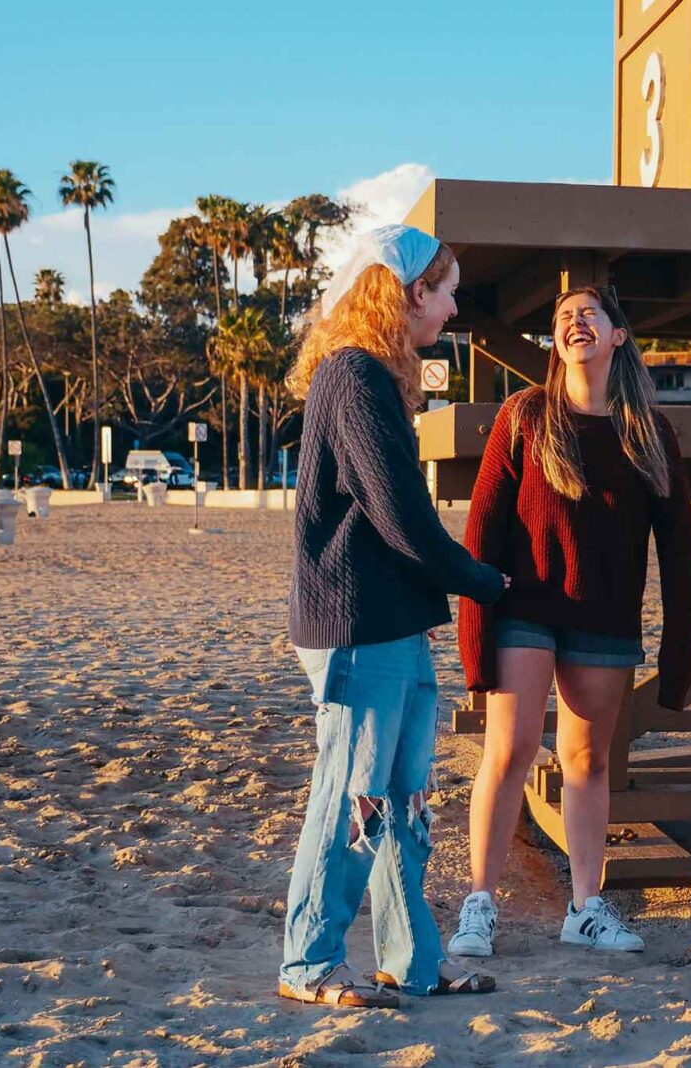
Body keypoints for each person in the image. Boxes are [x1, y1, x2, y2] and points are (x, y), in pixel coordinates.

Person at [279, 225, 506, 1008]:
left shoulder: (368, 375)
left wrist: (441, 593)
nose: (450, 305)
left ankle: (412, 959)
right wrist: (483, 580)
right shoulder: (353, 375)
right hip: (355, 623)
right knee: (351, 794)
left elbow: (390, 521)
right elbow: (400, 514)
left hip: (390, 620)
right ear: (407, 291)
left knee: (402, 797)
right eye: (443, 289)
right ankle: (308, 964)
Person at [451, 284, 691, 957]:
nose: (574, 322)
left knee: (587, 761)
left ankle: (586, 909)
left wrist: (680, 660)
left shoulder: (650, 432)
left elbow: (679, 550)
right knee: (512, 748)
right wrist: (476, 640)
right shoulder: (525, 415)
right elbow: (481, 532)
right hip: (524, 605)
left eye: (590, 314)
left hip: (606, 614)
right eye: (562, 317)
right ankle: (479, 904)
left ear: (619, 335)